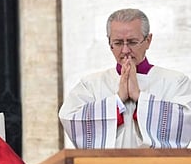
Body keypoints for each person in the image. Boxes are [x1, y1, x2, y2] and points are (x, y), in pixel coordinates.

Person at [59, 8, 191, 149]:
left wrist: (139, 97)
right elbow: (70, 118)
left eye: (132, 42)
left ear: (148, 40)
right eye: (118, 43)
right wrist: (117, 100)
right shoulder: (91, 84)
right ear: (109, 43)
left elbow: (185, 121)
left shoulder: (175, 81)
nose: (125, 50)